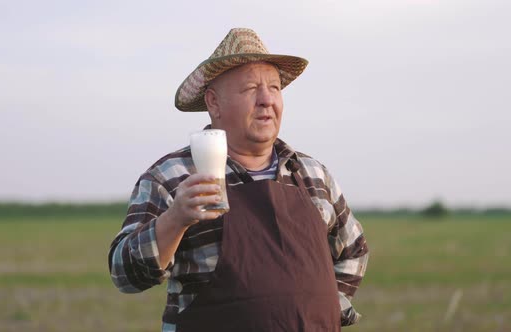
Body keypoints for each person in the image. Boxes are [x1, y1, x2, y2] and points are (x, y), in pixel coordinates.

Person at [108, 28, 369, 332]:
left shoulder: (312, 175)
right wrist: (176, 219)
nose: (266, 100)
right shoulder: (171, 176)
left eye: (274, 87)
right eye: (250, 89)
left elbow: (354, 250)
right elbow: (124, 275)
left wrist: (323, 307)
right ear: (214, 103)